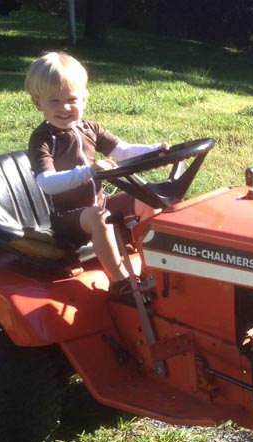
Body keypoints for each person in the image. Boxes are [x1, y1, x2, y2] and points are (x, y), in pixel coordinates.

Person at [25, 51, 169, 301]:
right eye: (54, 101)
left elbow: (123, 151)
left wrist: (156, 150)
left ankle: (151, 269)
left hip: (98, 205)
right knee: (99, 217)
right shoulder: (43, 139)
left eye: (71, 99)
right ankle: (121, 282)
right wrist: (88, 171)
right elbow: (47, 183)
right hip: (68, 220)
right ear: (38, 103)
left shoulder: (89, 128)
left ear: (84, 98)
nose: (65, 108)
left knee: (151, 199)